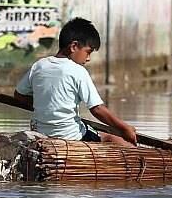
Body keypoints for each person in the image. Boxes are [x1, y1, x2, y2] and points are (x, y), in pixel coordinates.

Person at [14, 17, 137, 146]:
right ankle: (137, 157)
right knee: (110, 138)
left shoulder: (39, 65)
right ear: (73, 46)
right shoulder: (78, 71)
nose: (88, 58)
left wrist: (45, 103)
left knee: (89, 128)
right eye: (88, 52)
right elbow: (97, 109)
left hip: (40, 133)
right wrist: (124, 128)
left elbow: (18, 95)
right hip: (70, 136)